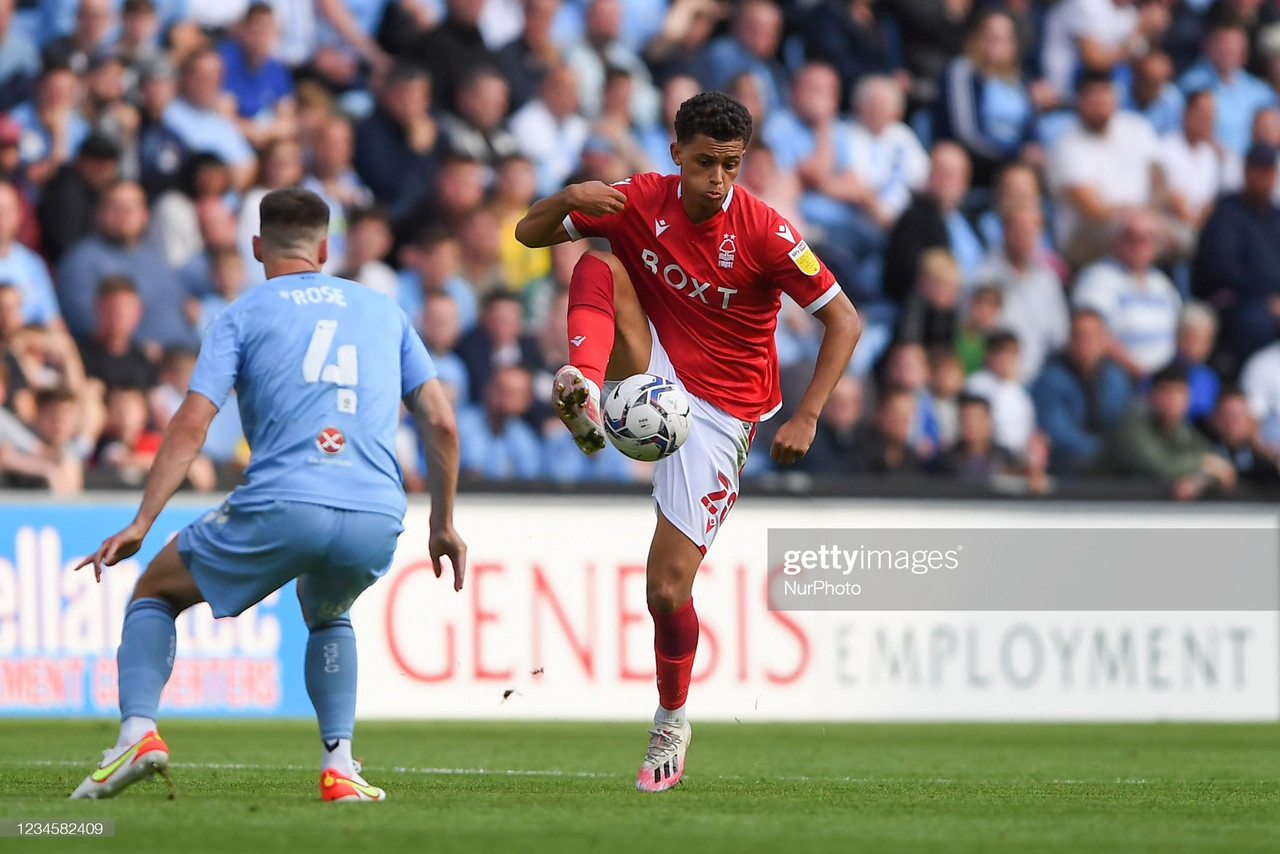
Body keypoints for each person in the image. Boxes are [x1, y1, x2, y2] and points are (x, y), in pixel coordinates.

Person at [69, 187, 465, 803]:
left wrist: (143, 520)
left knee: (155, 590)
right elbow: (440, 420)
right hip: (377, 510)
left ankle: (137, 733)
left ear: (257, 246)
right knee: (328, 609)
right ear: (326, 247)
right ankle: (341, 766)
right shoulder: (386, 311)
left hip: (286, 499)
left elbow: (193, 422)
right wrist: (443, 523)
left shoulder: (242, 313)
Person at [515, 91, 860, 791]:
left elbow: (844, 321)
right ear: (676, 155)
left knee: (666, 590)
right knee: (599, 265)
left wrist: (809, 414)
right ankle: (582, 386)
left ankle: (672, 719)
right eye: (705, 163)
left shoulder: (766, 232)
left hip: (726, 411)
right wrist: (568, 197)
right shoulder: (640, 198)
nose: (718, 180)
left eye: (731, 165)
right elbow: (529, 234)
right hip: (657, 369)